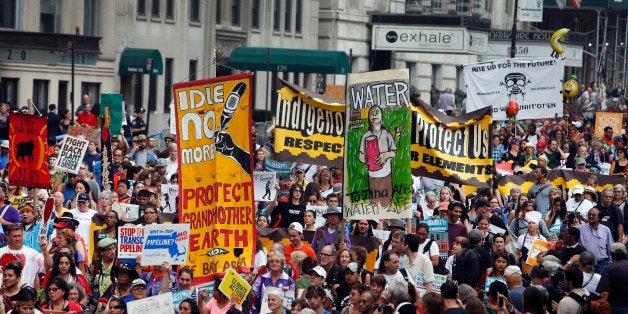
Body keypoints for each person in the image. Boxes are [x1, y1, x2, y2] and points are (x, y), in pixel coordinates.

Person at [358, 105, 396, 207]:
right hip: (372, 175)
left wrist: (386, 155)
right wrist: (363, 159)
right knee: (374, 201)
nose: (374, 115)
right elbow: (360, 154)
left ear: (381, 116)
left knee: (386, 201)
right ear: (369, 118)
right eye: (371, 114)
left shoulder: (387, 133)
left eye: (376, 113)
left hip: (386, 173)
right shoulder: (365, 136)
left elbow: (394, 152)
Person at [576, 208, 613, 274]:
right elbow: (568, 233)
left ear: (599, 217)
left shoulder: (606, 230)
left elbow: (610, 247)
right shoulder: (580, 228)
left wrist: (611, 262)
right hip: (585, 264)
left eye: (593, 215)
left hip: (602, 264)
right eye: (589, 214)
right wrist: (565, 223)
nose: (590, 216)